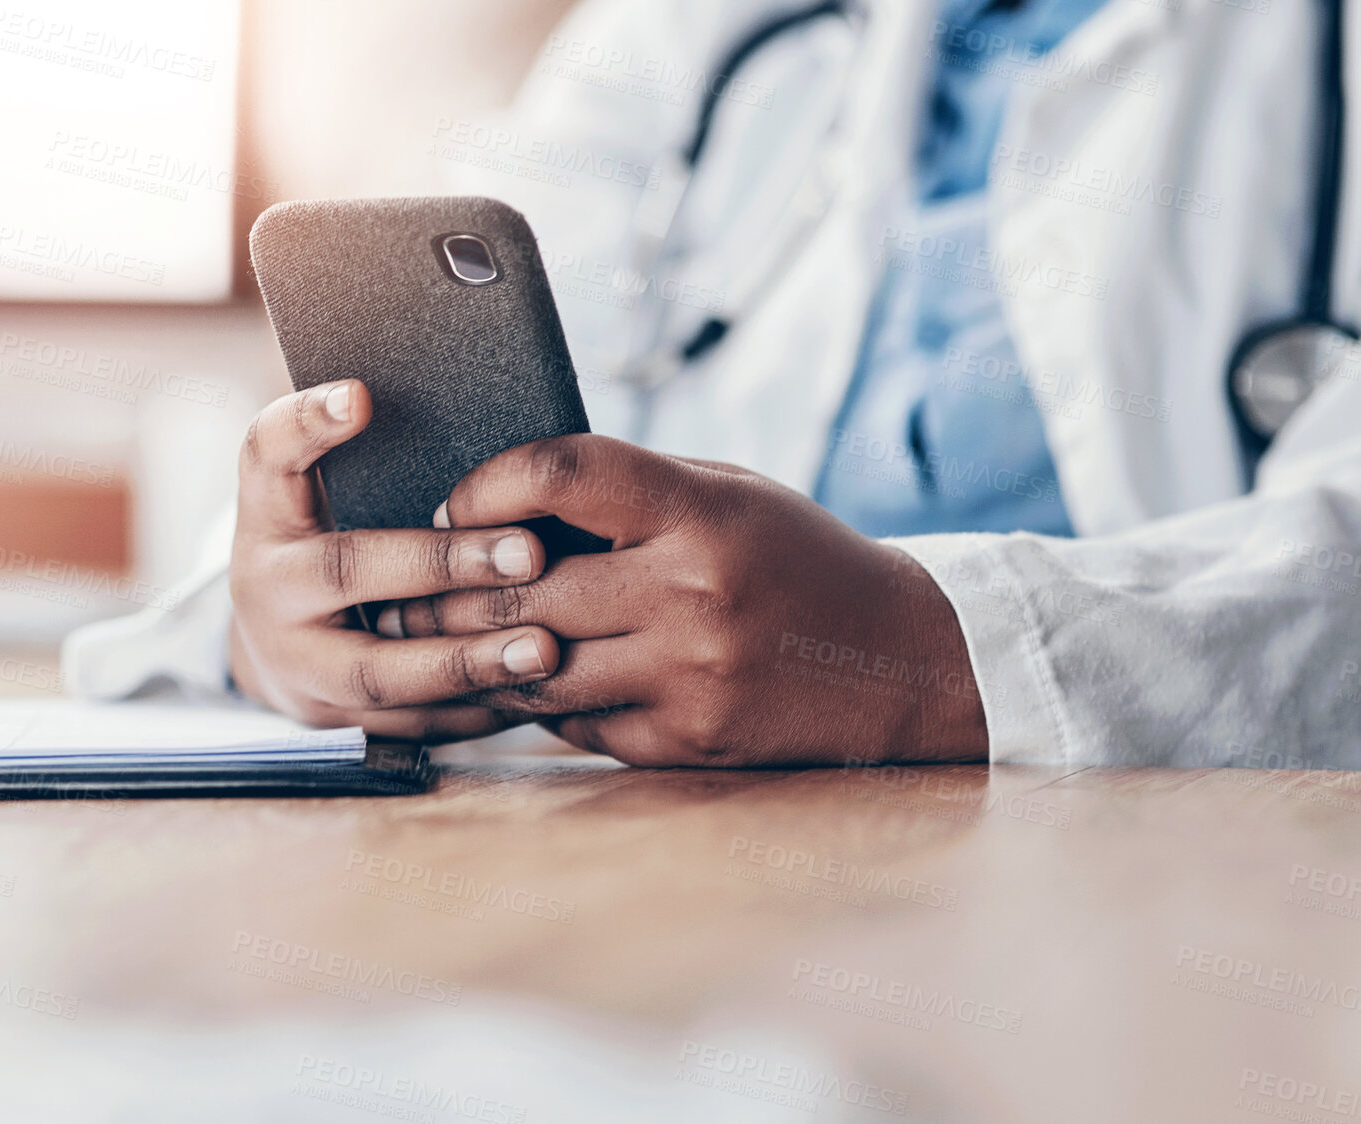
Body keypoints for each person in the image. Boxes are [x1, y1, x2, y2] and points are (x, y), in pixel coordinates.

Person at [66, 0, 1361, 769]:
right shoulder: (700, 32)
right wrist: (301, 621)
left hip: (1166, 867)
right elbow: (459, 405)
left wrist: (927, 652)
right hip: (666, 863)